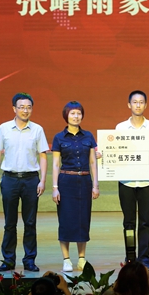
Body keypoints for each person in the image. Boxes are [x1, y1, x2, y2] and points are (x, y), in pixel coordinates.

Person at [0, 92, 49, 272]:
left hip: (31, 180)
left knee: (30, 222)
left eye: (28, 107)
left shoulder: (37, 129)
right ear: (14, 109)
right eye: (21, 107)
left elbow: (43, 156)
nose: (25, 110)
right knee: (10, 223)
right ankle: (8, 260)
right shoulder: (4, 128)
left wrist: (43, 180)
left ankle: (29, 260)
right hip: (9, 179)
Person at [51, 101, 100, 272]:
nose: (76, 116)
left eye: (79, 113)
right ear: (66, 116)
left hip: (84, 181)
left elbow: (93, 162)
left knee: (82, 220)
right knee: (65, 220)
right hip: (66, 182)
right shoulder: (59, 137)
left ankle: (81, 258)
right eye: (72, 113)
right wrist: (55, 187)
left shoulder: (88, 136)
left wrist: (95, 185)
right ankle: (66, 259)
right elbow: (56, 164)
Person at [114, 91, 149, 272]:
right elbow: (115, 151)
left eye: (141, 102)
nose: (138, 105)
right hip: (126, 182)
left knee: (145, 221)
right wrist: (104, 155)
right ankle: (130, 257)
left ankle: (145, 258)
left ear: (145, 105)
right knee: (129, 222)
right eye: (135, 102)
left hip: (147, 181)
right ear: (129, 105)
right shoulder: (120, 128)